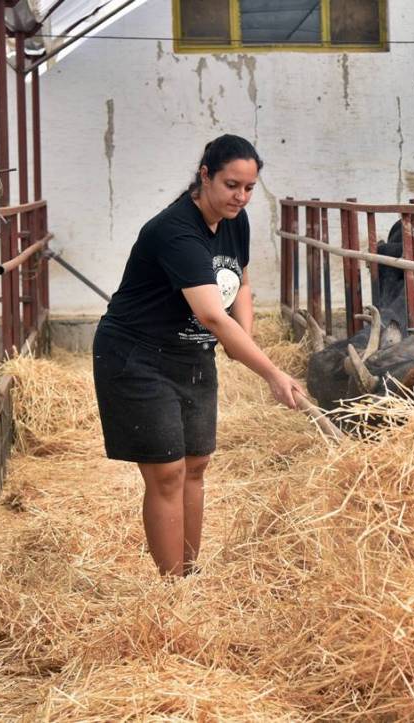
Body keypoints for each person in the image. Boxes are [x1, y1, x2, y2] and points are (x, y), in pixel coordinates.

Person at [92, 134, 304, 577]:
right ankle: (174, 592)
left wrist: (241, 338)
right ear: (204, 175)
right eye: (231, 185)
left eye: (248, 188)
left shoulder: (234, 221)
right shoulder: (176, 230)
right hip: (137, 356)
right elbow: (211, 314)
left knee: (196, 464)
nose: (240, 197)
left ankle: (190, 573)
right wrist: (270, 371)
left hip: (190, 355)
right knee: (167, 471)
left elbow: (240, 282)